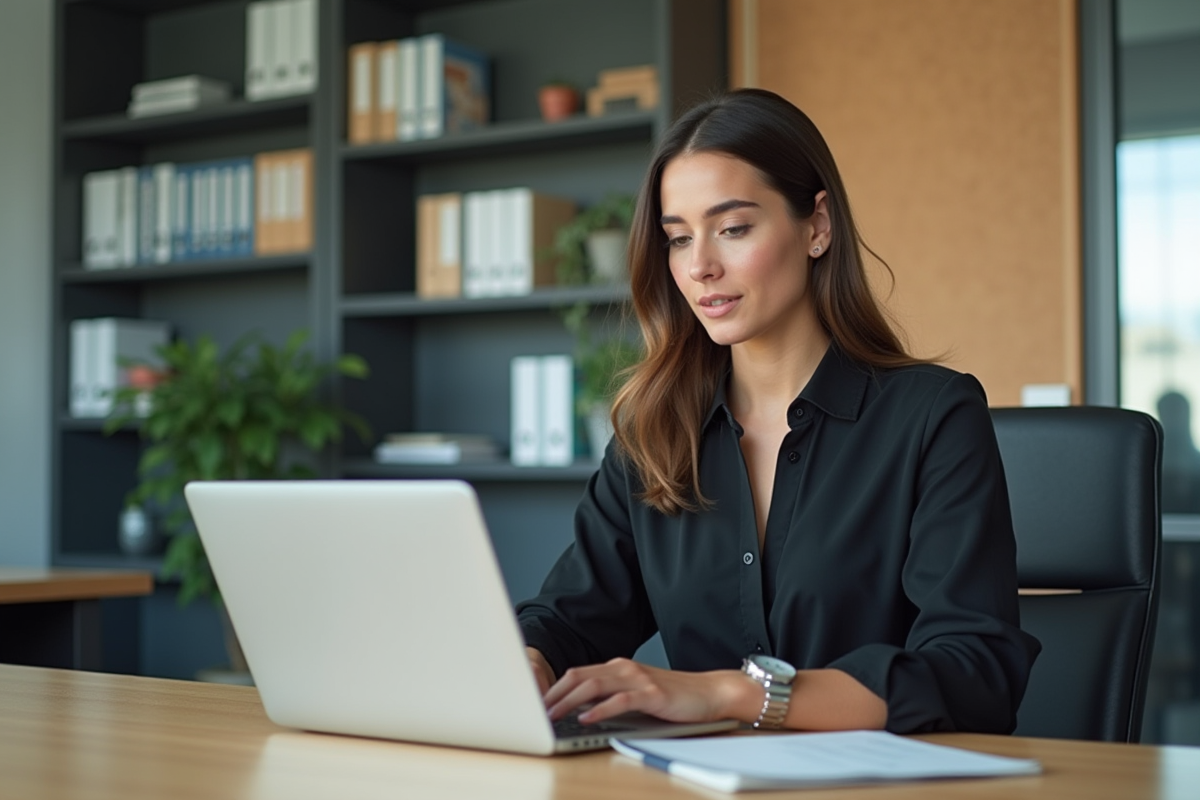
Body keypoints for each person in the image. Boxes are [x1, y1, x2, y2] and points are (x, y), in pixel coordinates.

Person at [516, 88, 1041, 735]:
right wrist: (528, 661)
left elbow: (974, 674)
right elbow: (570, 617)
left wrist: (729, 694)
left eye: (733, 229)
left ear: (817, 227)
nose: (701, 266)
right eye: (678, 239)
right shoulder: (653, 432)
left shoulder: (933, 417)